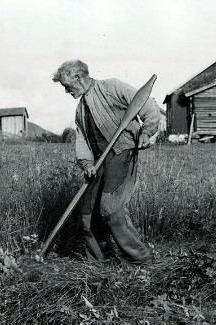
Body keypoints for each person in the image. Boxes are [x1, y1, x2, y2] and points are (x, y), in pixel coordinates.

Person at [52, 60, 161, 264]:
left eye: (67, 87)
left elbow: (148, 107)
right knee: (87, 214)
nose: (66, 91)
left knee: (110, 208)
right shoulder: (80, 110)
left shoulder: (111, 87)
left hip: (122, 152)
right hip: (97, 163)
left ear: (78, 77)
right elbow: (83, 141)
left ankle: (141, 260)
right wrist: (86, 164)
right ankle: (100, 263)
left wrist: (146, 132)